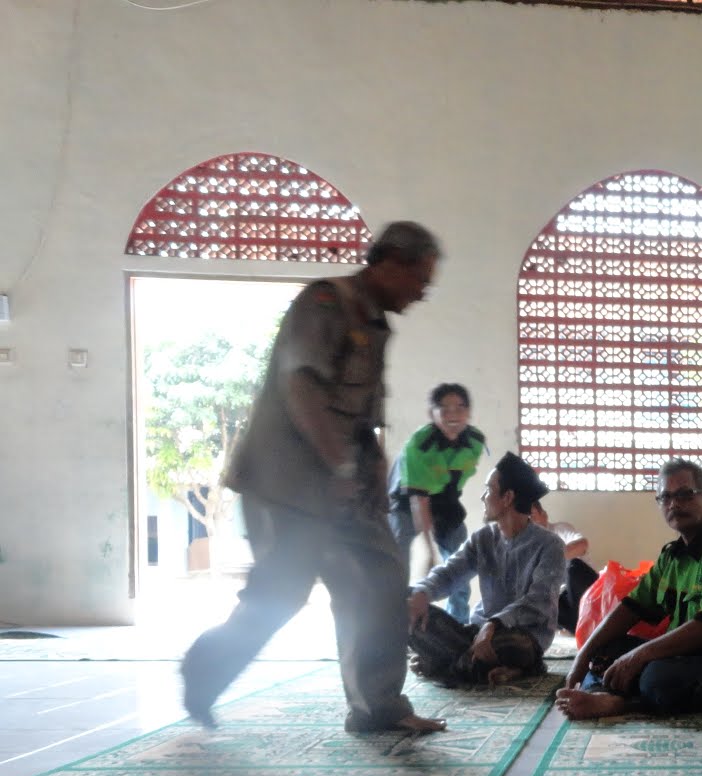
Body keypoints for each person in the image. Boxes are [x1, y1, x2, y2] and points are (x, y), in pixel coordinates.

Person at [180, 221, 447, 735]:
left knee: (382, 580)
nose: (422, 292)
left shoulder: (374, 323)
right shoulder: (326, 302)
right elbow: (300, 383)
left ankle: (378, 708)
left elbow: (362, 413)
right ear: (389, 262)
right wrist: (340, 464)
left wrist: (370, 465)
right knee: (281, 594)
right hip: (285, 486)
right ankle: (202, 671)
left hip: (343, 489)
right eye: (419, 278)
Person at [555, 458, 702, 719]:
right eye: (665, 497)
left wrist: (637, 657)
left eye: (685, 494)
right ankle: (601, 693)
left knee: (658, 679)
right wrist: (584, 654)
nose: (674, 504)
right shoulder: (672, 557)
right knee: (605, 650)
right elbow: (630, 608)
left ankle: (619, 703)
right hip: (683, 657)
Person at [406, 452, 566, 687]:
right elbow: (449, 574)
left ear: (507, 497)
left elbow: (537, 602)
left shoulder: (550, 545)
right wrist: (422, 593)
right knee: (404, 605)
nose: (483, 497)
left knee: (510, 646)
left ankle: (444, 665)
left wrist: (494, 625)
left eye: (488, 490)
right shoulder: (483, 539)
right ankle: (481, 668)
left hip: (519, 637)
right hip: (476, 634)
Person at [388, 382, 487, 622]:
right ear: (431, 414)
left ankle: (457, 626)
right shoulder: (419, 445)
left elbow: (455, 482)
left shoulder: (475, 441)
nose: (453, 415)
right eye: (444, 409)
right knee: (397, 565)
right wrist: (428, 548)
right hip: (407, 501)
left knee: (461, 566)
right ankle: (395, 623)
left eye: (460, 408)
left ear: (469, 412)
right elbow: (418, 498)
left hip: (446, 499)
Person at [527, 499, 599, 635]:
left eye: (533, 516)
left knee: (573, 566)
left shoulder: (560, 529)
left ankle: (583, 623)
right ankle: (578, 627)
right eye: (527, 519)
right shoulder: (527, 547)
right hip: (563, 601)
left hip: (585, 591)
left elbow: (582, 544)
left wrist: (549, 557)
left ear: (544, 515)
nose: (531, 522)